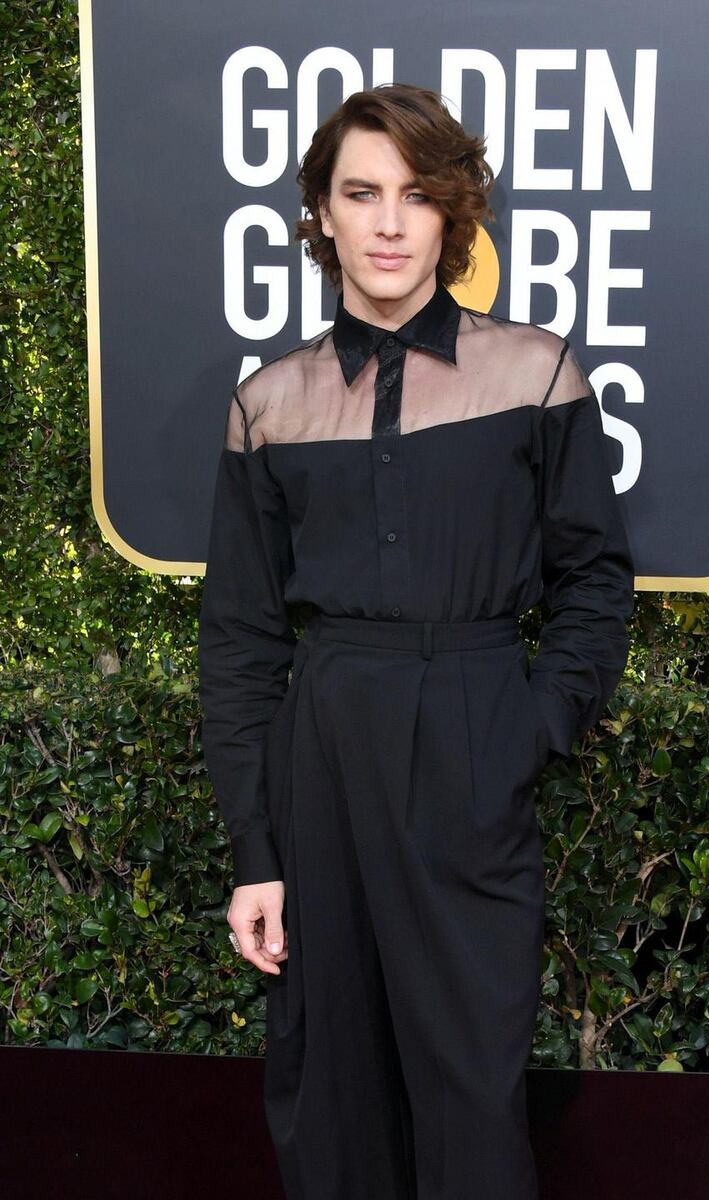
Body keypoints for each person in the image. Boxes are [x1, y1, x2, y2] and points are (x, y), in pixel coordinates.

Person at [198, 82, 634, 1200]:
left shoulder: (533, 373)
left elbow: (593, 577)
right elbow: (242, 638)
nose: (389, 222)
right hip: (324, 744)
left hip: (475, 725)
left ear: (452, 216)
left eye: (416, 195)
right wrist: (257, 852)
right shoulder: (269, 404)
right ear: (321, 215)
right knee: (326, 1074)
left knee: (470, 1078)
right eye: (361, 193)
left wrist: (526, 727)